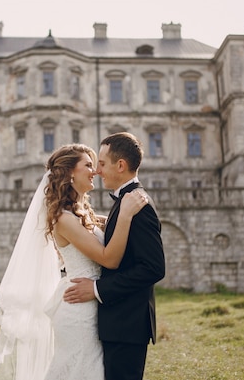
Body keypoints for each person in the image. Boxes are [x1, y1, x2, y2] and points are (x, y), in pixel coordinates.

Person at [0, 143, 148, 380]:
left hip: (93, 306)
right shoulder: (63, 217)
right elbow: (108, 259)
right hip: (78, 310)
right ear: (70, 172)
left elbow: (109, 227)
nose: (96, 171)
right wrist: (125, 213)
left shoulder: (83, 213)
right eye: (89, 165)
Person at [64, 132, 166, 380]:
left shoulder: (137, 206)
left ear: (120, 165)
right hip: (118, 324)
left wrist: (98, 289)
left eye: (101, 163)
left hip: (127, 325)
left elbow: (153, 268)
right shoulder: (125, 203)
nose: (97, 171)